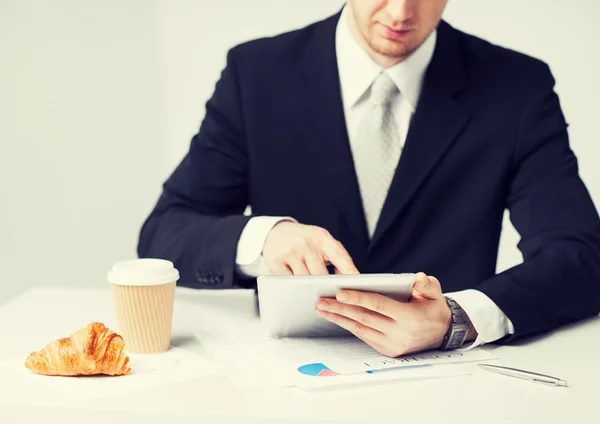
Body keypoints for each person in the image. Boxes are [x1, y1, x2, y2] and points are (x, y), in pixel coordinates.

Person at [138, 0, 600, 356]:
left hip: (450, 381)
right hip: (285, 376)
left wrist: (457, 318)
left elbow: (581, 257)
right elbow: (164, 233)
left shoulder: (517, 87)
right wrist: (263, 238)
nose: (401, 12)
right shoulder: (256, 74)